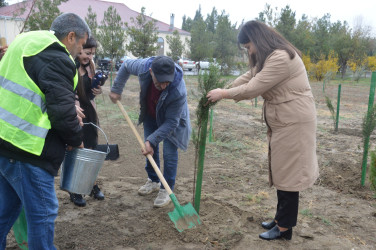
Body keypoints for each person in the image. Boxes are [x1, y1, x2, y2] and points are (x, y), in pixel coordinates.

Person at [206, 20, 319, 241]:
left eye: (248, 46)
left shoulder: (281, 58)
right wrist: (224, 90)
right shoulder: (271, 57)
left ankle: (285, 228)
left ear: (257, 39)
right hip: (285, 121)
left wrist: (224, 94)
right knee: (282, 170)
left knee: (289, 174)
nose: (249, 51)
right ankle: (280, 219)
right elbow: (249, 77)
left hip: (294, 122)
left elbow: (254, 87)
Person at [0, 13, 90, 249]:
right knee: (43, 214)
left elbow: (32, 86)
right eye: (81, 45)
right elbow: (60, 113)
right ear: (71, 37)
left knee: (6, 210)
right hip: (27, 148)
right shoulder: (58, 58)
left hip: (4, 140)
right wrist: (76, 140)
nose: (80, 52)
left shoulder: (26, 41)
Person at [109, 56, 191, 207]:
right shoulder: (143, 66)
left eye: (167, 81)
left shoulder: (178, 90)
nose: (164, 85)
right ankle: (153, 180)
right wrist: (116, 89)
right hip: (151, 112)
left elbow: (172, 122)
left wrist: (152, 140)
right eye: (160, 81)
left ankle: (166, 189)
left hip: (171, 118)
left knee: (169, 151)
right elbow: (126, 65)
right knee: (149, 147)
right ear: (151, 72)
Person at [68, 36, 105, 207]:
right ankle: (75, 188)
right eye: (86, 52)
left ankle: (90, 184)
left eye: (92, 54)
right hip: (74, 112)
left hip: (89, 112)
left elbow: (90, 91)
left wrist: (97, 90)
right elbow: (68, 91)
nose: (89, 57)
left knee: (90, 148)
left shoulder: (90, 66)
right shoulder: (70, 66)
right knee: (78, 149)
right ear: (79, 47)